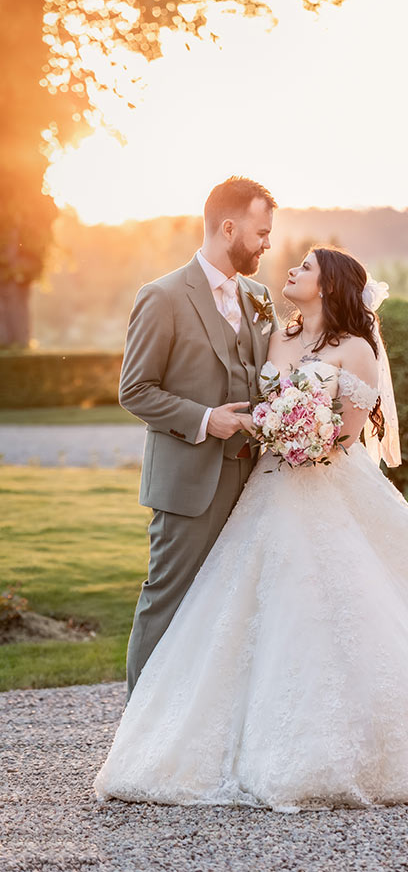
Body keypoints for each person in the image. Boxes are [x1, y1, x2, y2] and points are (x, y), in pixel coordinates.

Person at [95, 246, 408, 812]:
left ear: (329, 286)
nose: (290, 268)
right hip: (266, 484)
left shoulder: (356, 349)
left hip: (324, 484)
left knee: (342, 606)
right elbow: (253, 389)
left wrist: (305, 439)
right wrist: (271, 428)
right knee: (252, 607)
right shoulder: (276, 335)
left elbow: (349, 434)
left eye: (305, 267)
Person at [118, 176, 278, 700]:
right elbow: (135, 390)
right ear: (227, 227)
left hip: (255, 481)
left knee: (237, 608)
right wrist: (207, 419)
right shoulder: (162, 296)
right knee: (168, 601)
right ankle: (139, 737)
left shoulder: (260, 296)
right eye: (260, 232)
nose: (267, 244)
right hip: (189, 484)